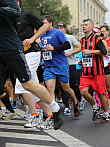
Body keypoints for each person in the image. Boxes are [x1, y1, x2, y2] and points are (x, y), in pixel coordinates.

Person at [0, 0, 63, 130]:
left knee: (25, 84)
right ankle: (40, 112)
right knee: (27, 86)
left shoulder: (17, 9)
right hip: (5, 51)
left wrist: (32, 39)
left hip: (17, 50)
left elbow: (42, 25)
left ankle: (53, 110)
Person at [40, 16, 80, 117]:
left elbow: (67, 45)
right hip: (48, 66)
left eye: (45, 23)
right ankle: (54, 114)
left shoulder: (57, 33)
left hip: (61, 65)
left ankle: (75, 102)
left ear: (50, 23)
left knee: (66, 88)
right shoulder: (41, 34)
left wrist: (54, 48)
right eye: (42, 23)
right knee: (49, 90)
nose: (43, 25)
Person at [79, 19, 110, 121]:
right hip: (86, 72)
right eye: (83, 25)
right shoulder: (82, 40)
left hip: (98, 72)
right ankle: (95, 106)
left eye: (86, 25)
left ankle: (106, 112)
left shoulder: (96, 38)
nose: (83, 26)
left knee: (101, 93)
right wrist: (81, 61)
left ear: (92, 27)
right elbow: (84, 53)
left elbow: (104, 52)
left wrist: (90, 51)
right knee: (83, 91)